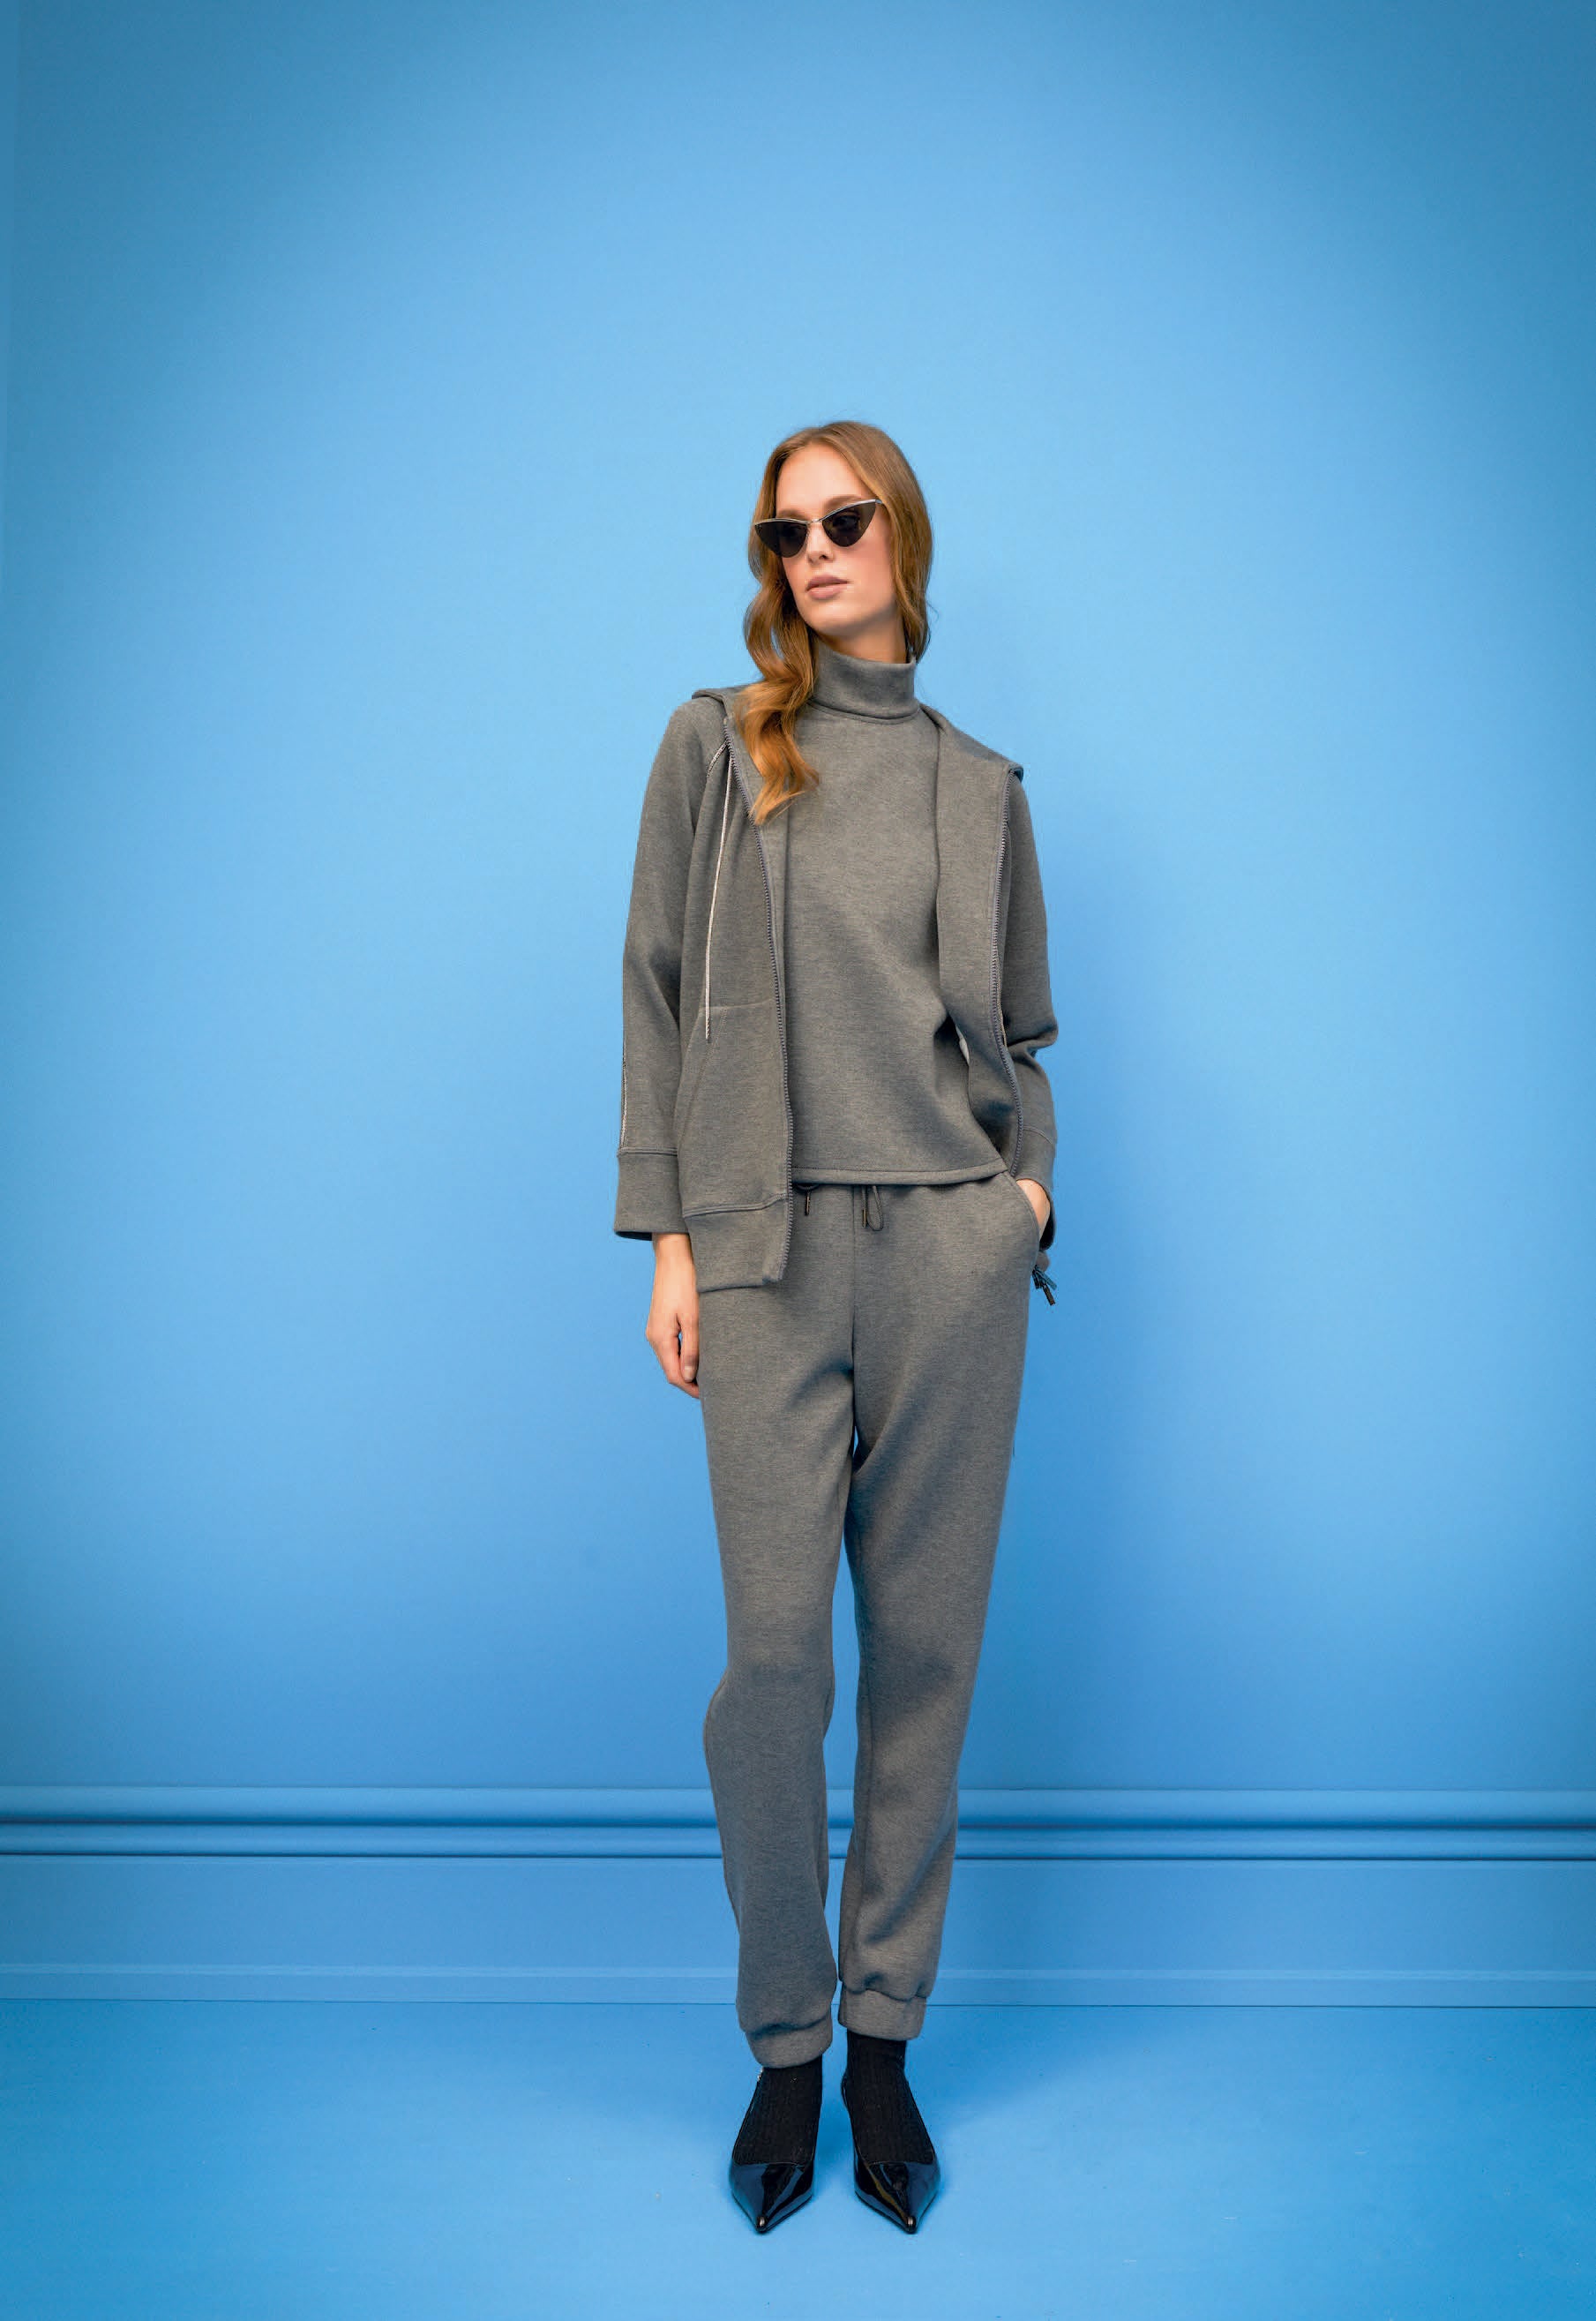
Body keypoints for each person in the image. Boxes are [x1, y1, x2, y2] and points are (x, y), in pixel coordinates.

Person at [613, 418, 1059, 2235]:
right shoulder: (717, 746)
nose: (811, 551)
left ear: (901, 540)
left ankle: (880, 2043)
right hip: (765, 1246)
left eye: (842, 519)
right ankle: (782, 2040)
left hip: (948, 1251)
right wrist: (668, 1236)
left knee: (926, 1659)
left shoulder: (981, 785)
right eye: (783, 530)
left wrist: (1023, 1203)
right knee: (776, 1665)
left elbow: (1020, 1039)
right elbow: (653, 989)